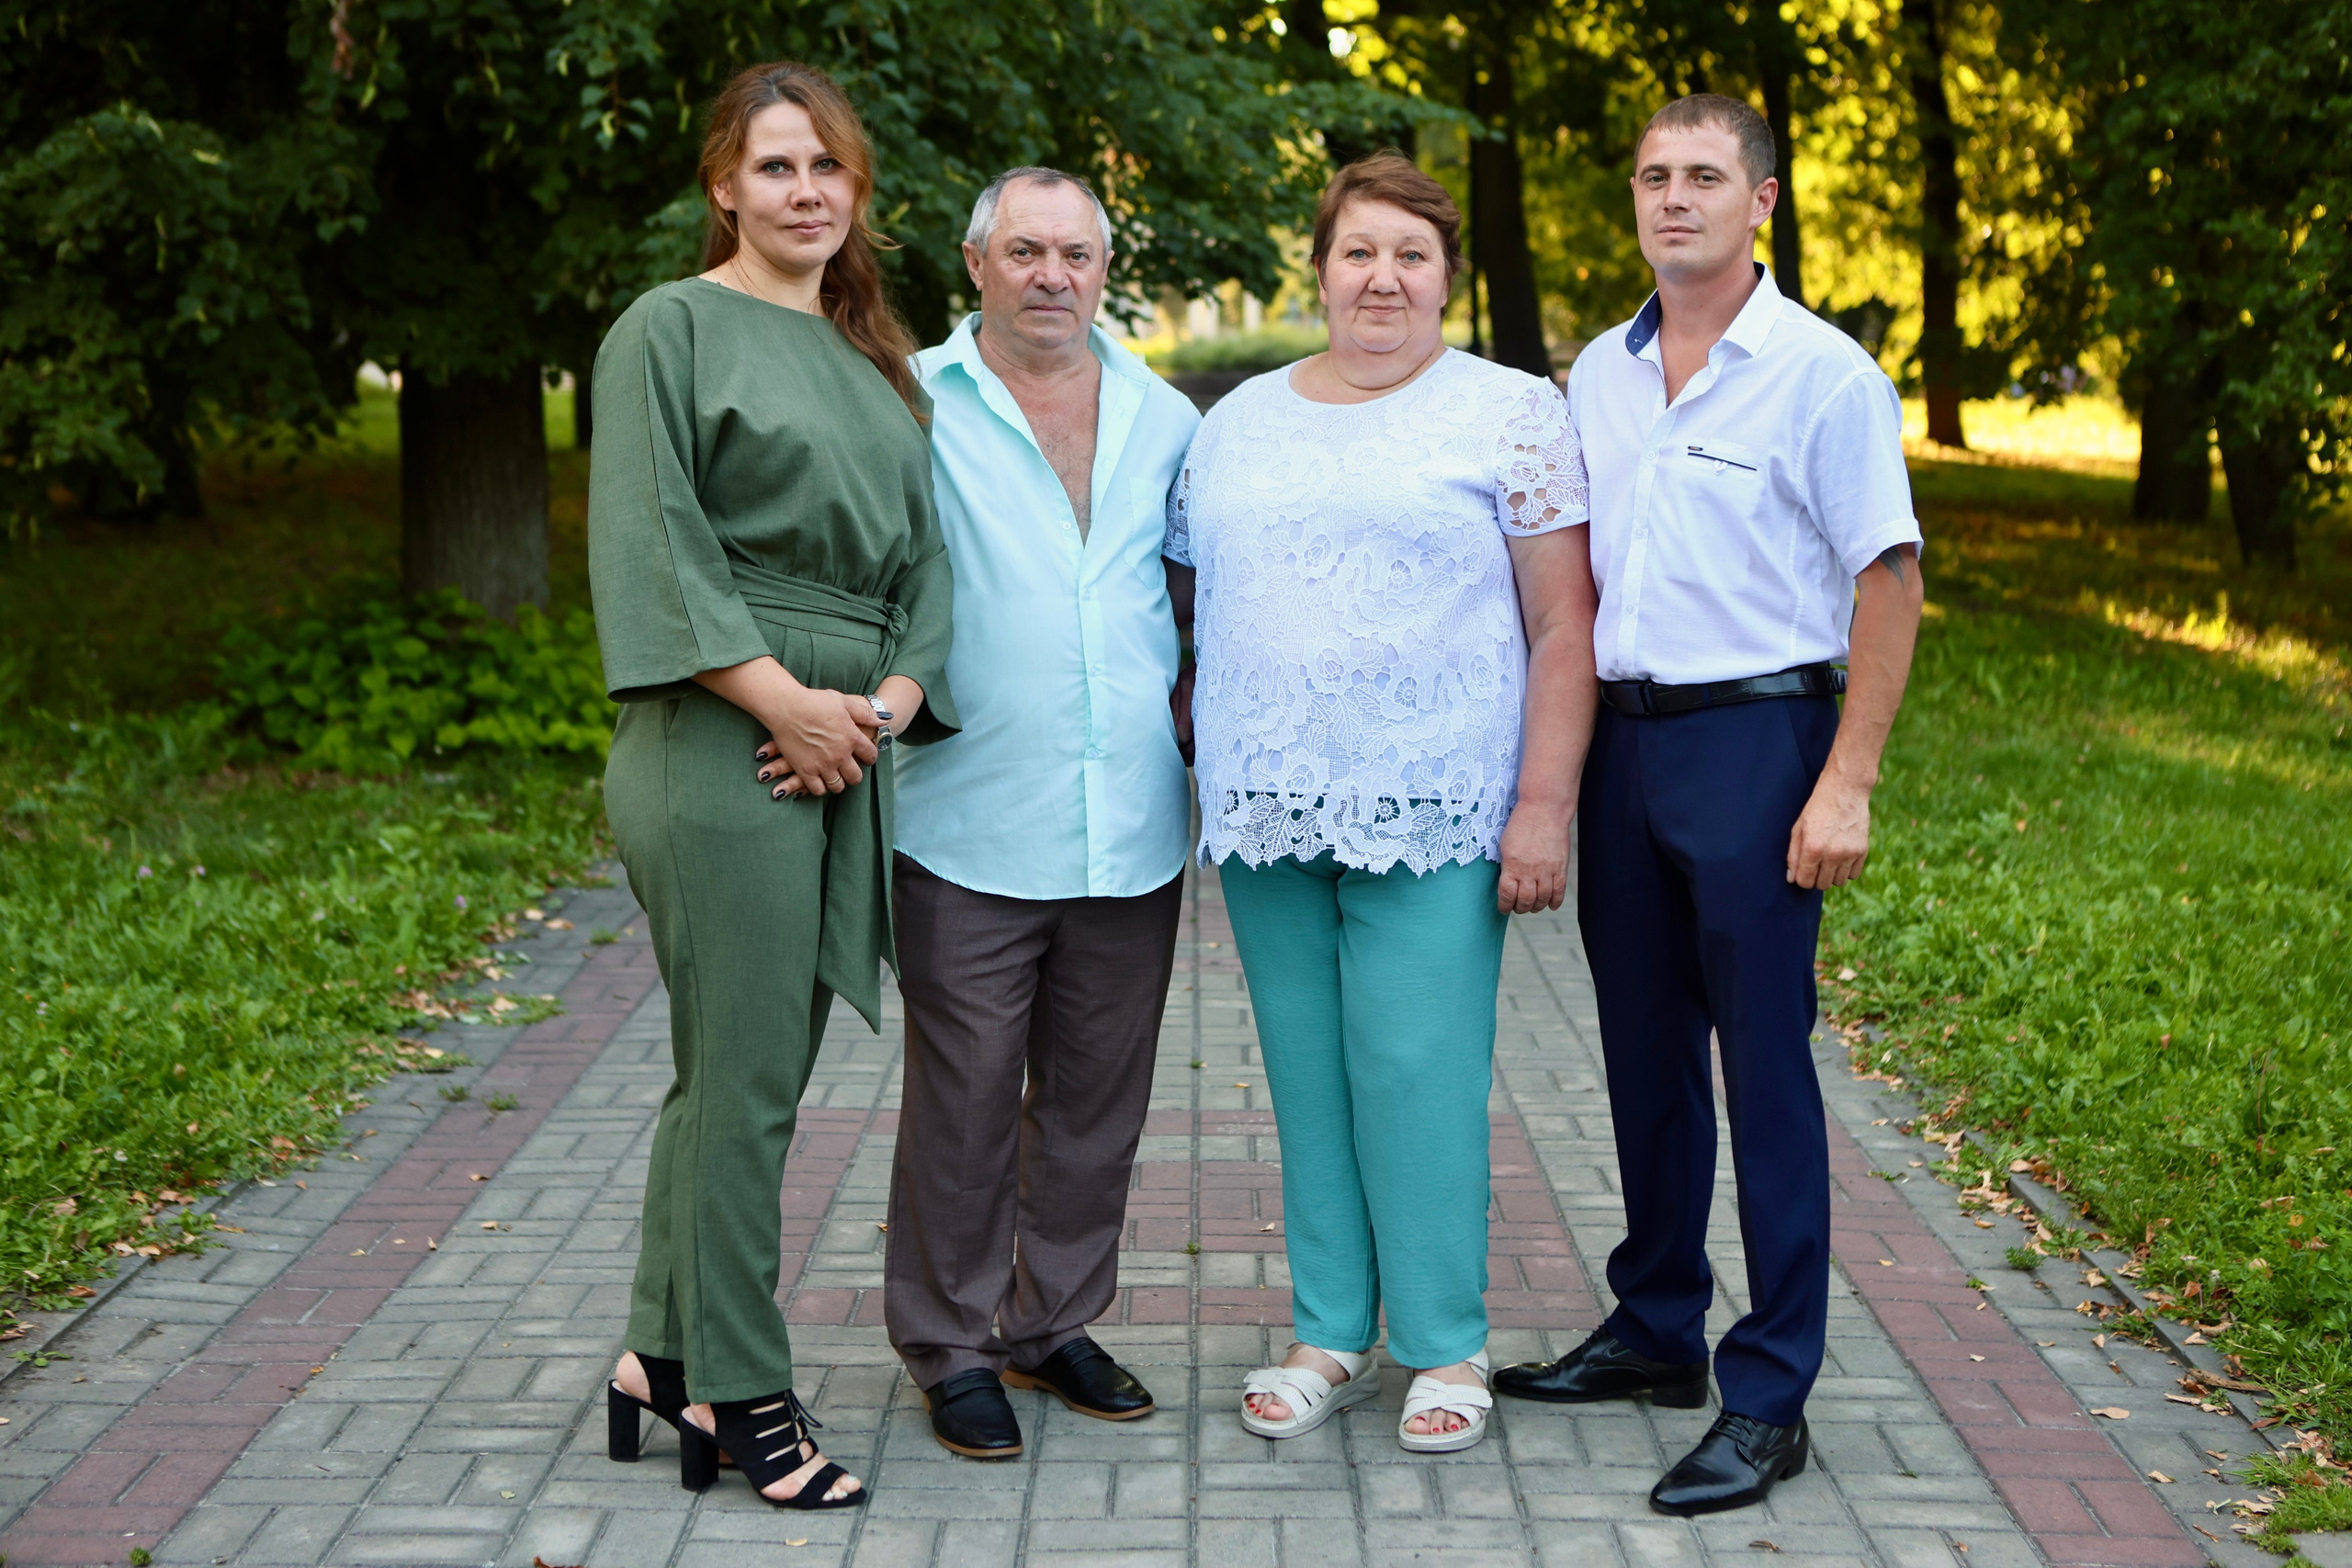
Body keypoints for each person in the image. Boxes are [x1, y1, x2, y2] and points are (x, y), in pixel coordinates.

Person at [1492, 94, 1924, 1516]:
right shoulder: (1596, 376)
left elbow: (1890, 578)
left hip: (1761, 740)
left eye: (1702, 178)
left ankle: (1770, 1391)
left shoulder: (1822, 375)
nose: (1673, 199)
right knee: (1641, 1052)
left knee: (1768, 1072)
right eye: (1652, 178)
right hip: (1628, 746)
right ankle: (1658, 1324)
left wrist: (1845, 779)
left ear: (1763, 201)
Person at [1167, 152, 1599, 1455]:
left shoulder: (1511, 412)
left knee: (1414, 1070)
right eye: (1359, 251)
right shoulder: (1235, 419)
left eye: (1411, 256)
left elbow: (1563, 619)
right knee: (1303, 1076)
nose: (1383, 278)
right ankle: (1327, 1333)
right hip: (1267, 813)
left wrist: (1544, 805)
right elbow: (1189, 592)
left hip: (1437, 806)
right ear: (1320, 266)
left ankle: (1445, 1341)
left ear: (1447, 279)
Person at [590, 61, 959, 1511]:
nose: (805, 192)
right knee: (746, 1087)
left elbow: (927, 570)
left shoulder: (879, 362)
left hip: (842, 733)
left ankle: (658, 1357)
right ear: (723, 188)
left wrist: (876, 708)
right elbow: (652, 540)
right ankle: (745, 1397)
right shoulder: (669, 329)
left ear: (856, 192)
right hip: (719, 733)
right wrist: (782, 706)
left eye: (828, 170)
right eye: (776, 167)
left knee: (733, 1076)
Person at [884, 167, 1198, 1459]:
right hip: (964, 812)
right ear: (976, 264)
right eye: (1025, 251)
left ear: (1104, 270)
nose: (1051, 275)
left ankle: (1052, 1322)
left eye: (1074, 253)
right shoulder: (905, 400)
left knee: (1094, 1100)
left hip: (1129, 819)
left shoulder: (1165, 414)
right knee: (962, 1099)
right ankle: (950, 1344)